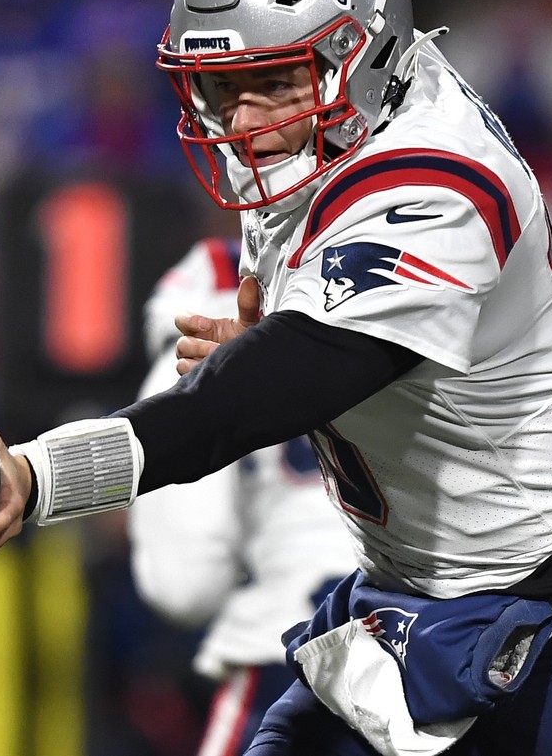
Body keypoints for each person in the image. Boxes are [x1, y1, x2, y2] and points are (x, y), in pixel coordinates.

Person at [0, 0, 552, 754]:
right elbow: (305, 364)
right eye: (220, 87)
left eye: (272, 81)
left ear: (363, 55)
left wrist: (38, 473)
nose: (243, 124)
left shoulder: (440, 173)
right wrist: (287, 353)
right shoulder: (330, 132)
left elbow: (277, 385)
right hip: (404, 612)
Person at [128, 237, 356, 756]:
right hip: (442, 644)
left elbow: (183, 585)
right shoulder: (373, 324)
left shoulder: (188, 363)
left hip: (293, 652)